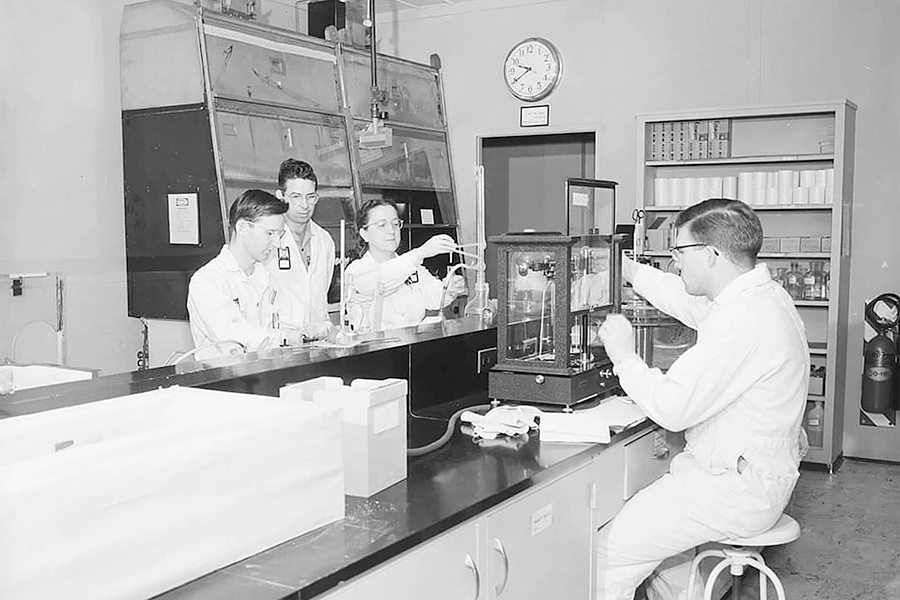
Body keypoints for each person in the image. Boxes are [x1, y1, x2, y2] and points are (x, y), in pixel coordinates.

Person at [596, 198, 809, 600]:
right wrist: (623, 268)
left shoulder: (741, 318)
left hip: (730, 491)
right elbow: (681, 296)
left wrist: (624, 357)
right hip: (751, 478)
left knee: (606, 553)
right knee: (664, 559)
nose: (675, 262)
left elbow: (674, 408)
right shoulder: (759, 296)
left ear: (710, 255)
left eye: (679, 251)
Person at [187, 189, 311, 359]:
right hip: (222, 381)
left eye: (280, 235)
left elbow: (296, 318)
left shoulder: (266, 278)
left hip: (263, 375)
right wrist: (284, 336)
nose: (277, 243)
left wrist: (312, 330)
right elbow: (235, 336)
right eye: (270, 233)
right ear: (242, 228)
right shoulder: (208, 280)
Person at [344, 198, 466, 332]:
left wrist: (450, 287)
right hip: (375, 348)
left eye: (395, 224)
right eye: (382, 225)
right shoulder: (356, 271)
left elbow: (434, 298)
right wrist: (420, 253)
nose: (391, 231)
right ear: (364, 234)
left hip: (412, 345)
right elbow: (383, 279)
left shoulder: (413, 268)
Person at [266, 158, 335, 338]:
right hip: (281, 343)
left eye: (310, 197)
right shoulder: (268, 240)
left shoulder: (325, 240)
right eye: (296, 197)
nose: (304, 205)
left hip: (319, 342)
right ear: (280, 196)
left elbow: (322, 296)